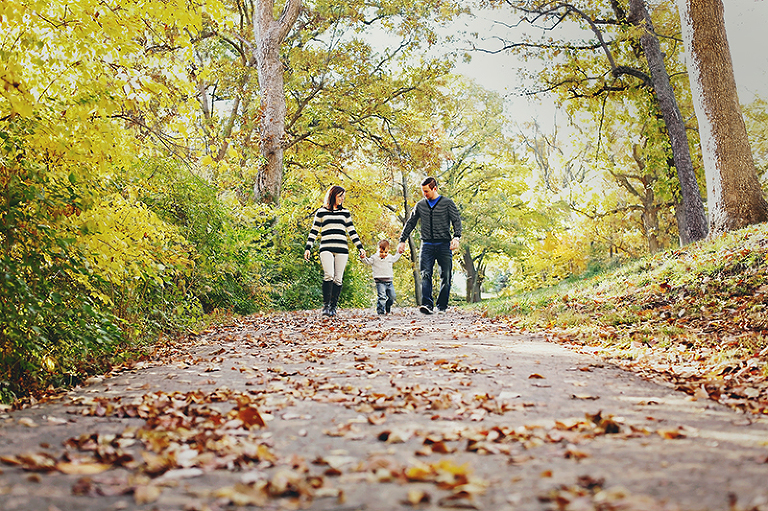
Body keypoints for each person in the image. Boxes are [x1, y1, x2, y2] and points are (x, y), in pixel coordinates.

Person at [397, 177, 462, 314]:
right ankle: (427, 305)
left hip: (444, 245)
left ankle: (442, 306)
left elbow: (456, 220)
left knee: (446, 275)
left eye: (427, 191)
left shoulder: (447, 203)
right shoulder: (420, 205)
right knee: (425, 274)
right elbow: (410, 223)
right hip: (426, 245)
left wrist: (456, 237)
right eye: (423, 191)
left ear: (434, 188)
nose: (424, 194)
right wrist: (402, 240)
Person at [305, 185, 366, 317]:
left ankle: (333, 307)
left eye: (343, 196)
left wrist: (360, 247)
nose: (342, 199)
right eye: (340, 196)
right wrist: (308, 248)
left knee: (338, 279)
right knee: (329, 275)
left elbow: (352, 232)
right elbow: (314, 231)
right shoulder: (321, 212)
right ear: (333, 196)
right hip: (326, 247)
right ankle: (326, 306)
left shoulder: (345, 213)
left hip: (342, 249)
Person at [361, 239, 402, 315]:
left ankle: (388, 306)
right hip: (380, 281)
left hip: (389, 281)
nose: (383, 254)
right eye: (381, 252)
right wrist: (363, 258)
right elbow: (367, 261)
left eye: (386, 252)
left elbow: (395, 258)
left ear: (388, 251)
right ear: (378, 250)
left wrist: (399, 253)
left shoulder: (389, 257)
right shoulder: (374, 258)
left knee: (392, 297)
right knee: (382, 297)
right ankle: (380, 312)